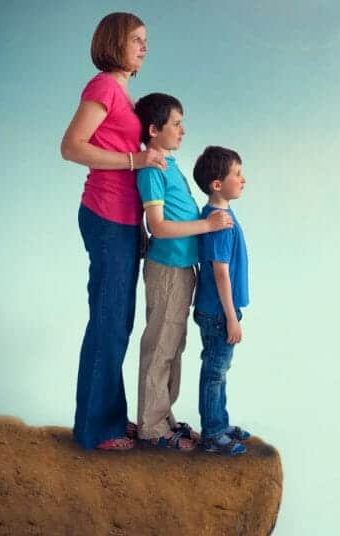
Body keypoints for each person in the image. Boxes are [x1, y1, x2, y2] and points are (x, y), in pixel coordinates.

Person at [61, 12, 167, 450]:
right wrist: (134, 161)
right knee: (108, 319)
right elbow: (71, 147)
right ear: (114, 43)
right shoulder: (103, 86)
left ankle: (108, 415)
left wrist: (140, 223)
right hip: (104, 215)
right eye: (136, 40)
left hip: (123, 220)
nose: (144, 47)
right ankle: (95, 428)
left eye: (146, 40)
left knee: (117, 320)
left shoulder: (122, 91)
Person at [133, 93, 234, 451]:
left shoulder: (168, 165)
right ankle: (151, 427)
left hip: (182, 270)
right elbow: (158, 226)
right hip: (168, 271)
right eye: (176, 123)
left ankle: (164, 418)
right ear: (153, 129)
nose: (182, 130)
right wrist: (207, 226)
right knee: (160, 346)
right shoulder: (152, 170)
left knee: (174, 346)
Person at [191, 146, 252, 456]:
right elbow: (220, 273)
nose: (243, 180)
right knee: (215, 372)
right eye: (237, 174)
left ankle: (220, 422)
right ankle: (212, 433)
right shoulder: (220, 221)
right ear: (217, 184)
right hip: (219, 312)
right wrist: (231, 317)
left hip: (214, 310)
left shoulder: (218, 215)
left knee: (219, 371)